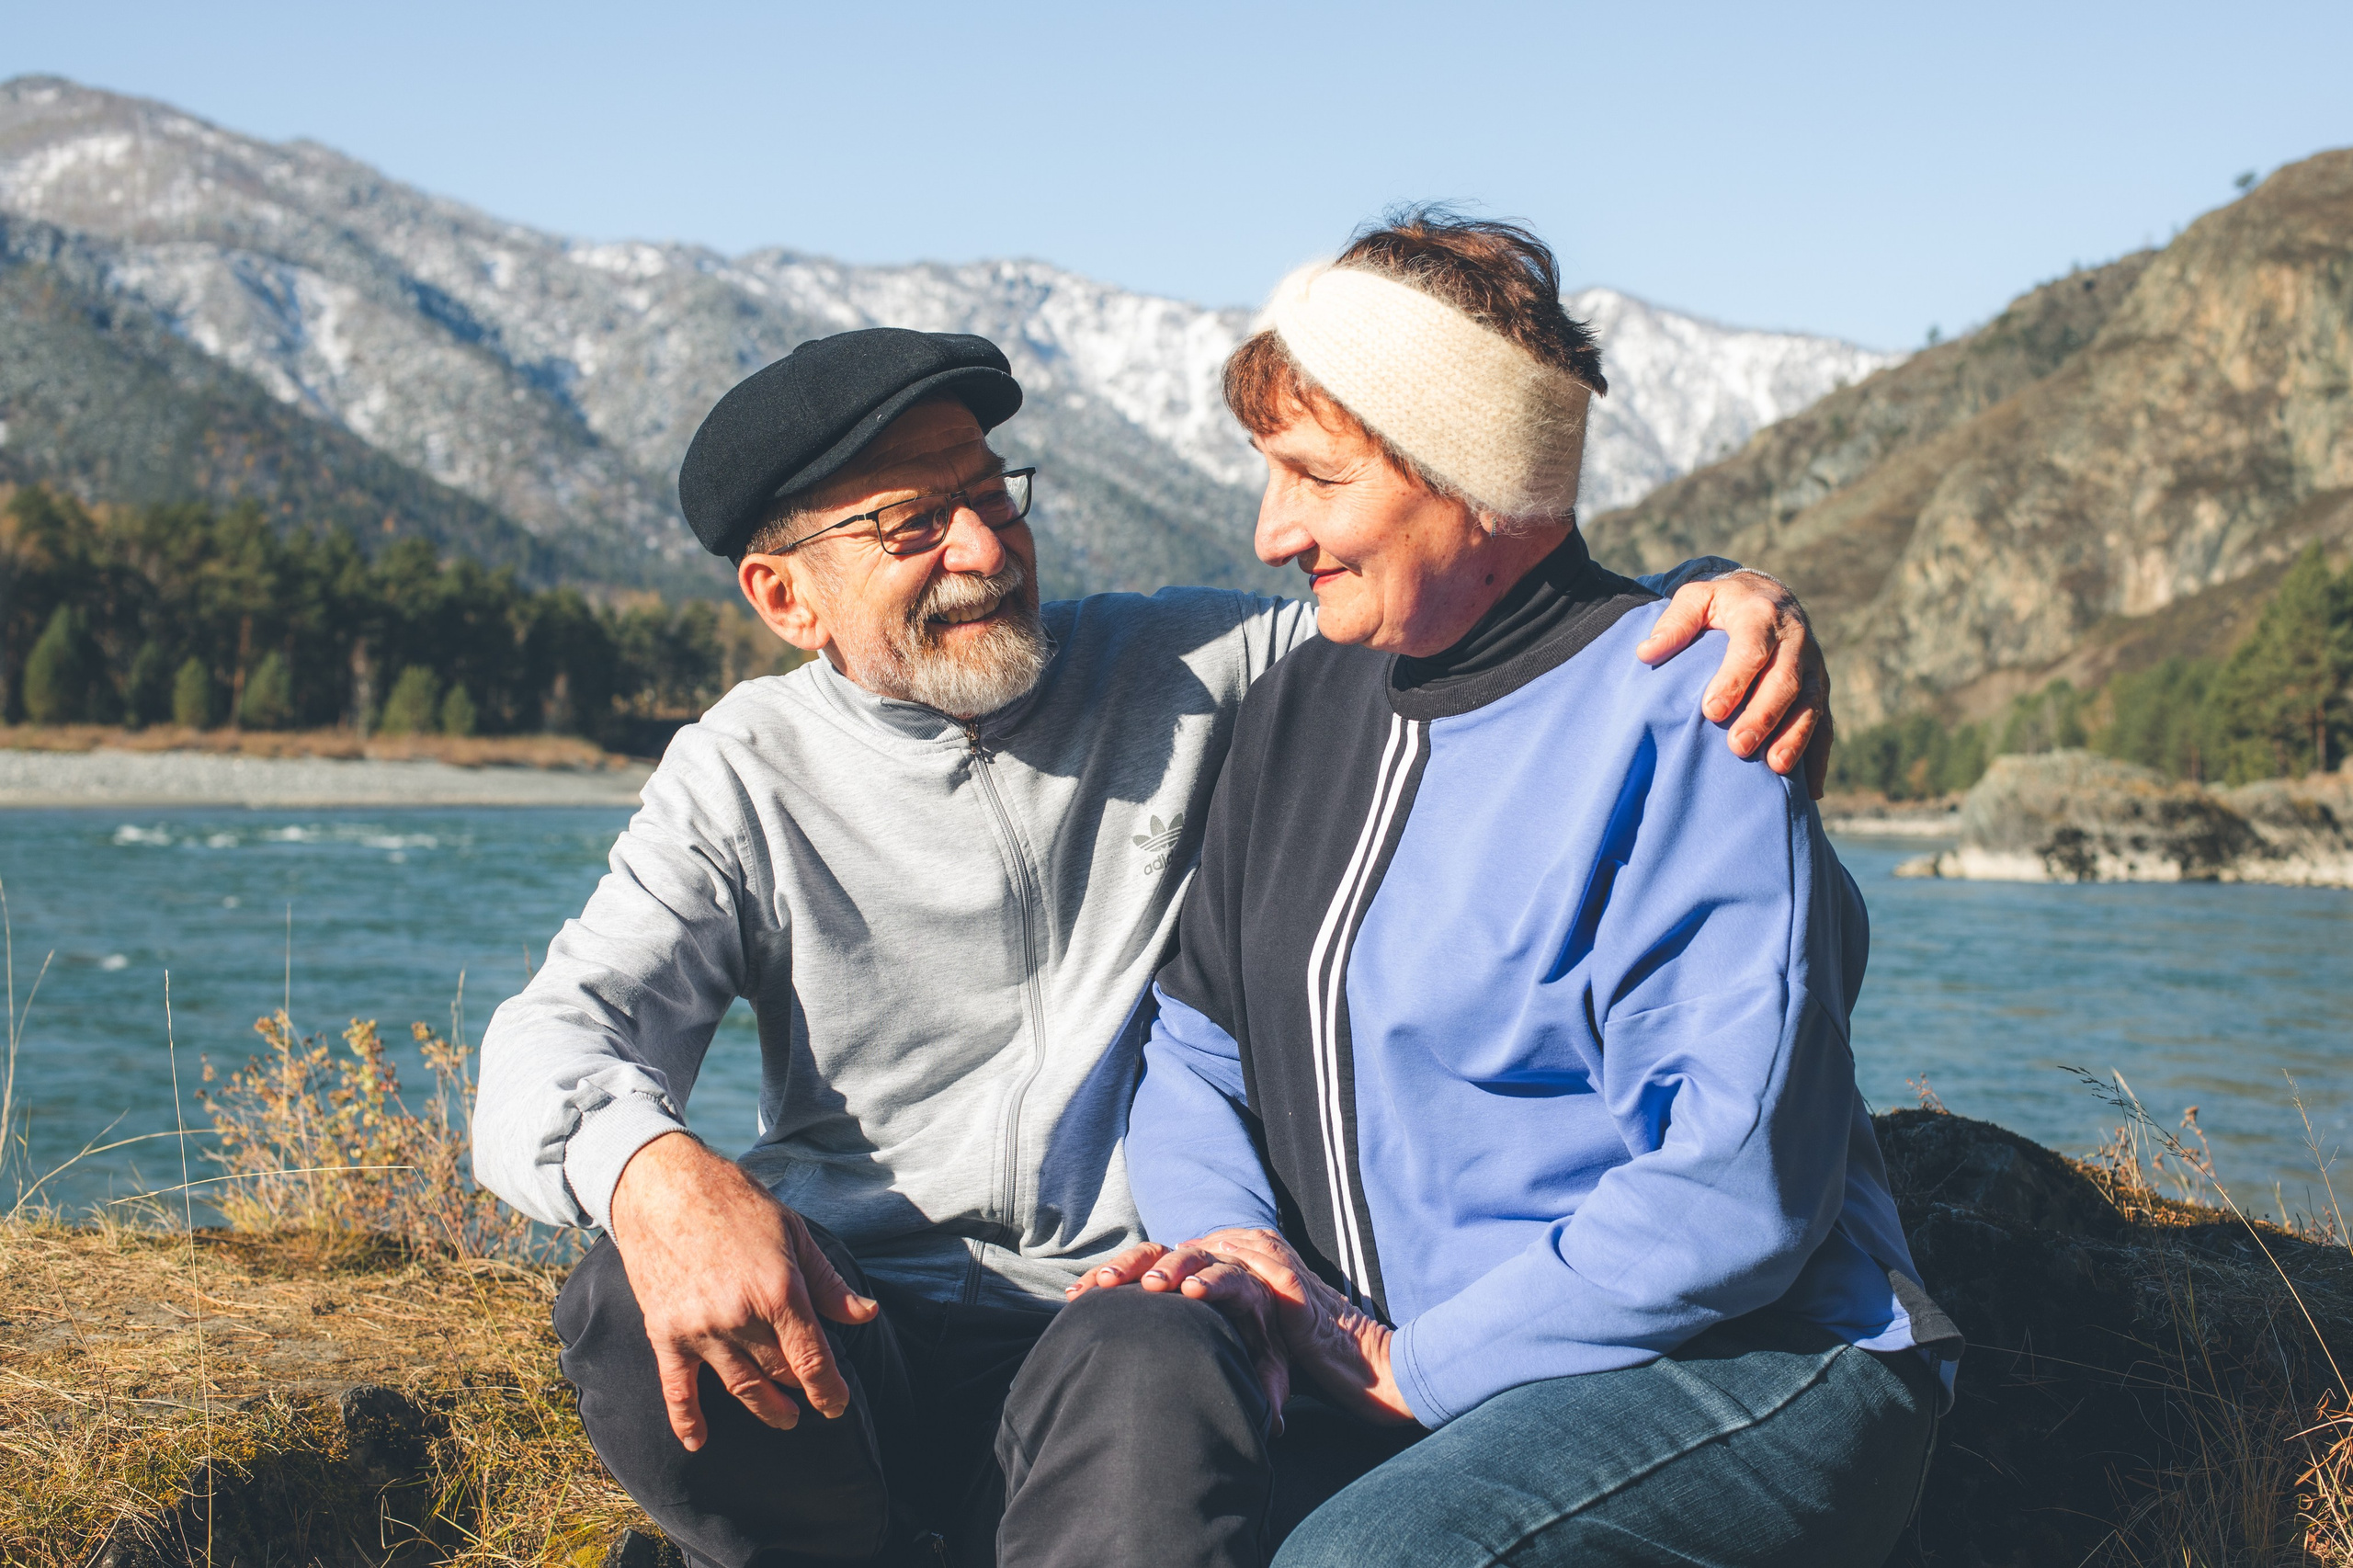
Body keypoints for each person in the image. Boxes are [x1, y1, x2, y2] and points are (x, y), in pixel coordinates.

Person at [474, 316, 1838, 1566]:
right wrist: (652, 1167)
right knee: (617, 1294)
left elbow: (1455, 590)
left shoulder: (1200, 665)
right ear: (786, 597)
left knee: (1151, 1357)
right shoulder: (739, 773)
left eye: (994, 494)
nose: (986, 550)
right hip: (861, 1314)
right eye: (913, 525)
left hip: (1122, 1307)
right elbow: (548, 1039)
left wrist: (1712, 595)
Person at [1076, 212, 1961, 1567]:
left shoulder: (1690, 712)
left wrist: (1413, 1364)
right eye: (1267, 474)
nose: (1271, 530)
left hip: (1740, 1359)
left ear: (1473, 477)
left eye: (1313, 477)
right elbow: (1193, 1049)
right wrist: (1244, 1255)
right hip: (1392, 1364)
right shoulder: (1301, 706)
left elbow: (1735, 1188)